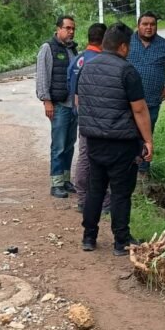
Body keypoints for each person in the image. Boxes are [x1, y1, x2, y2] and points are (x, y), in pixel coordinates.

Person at [75, 22, 154, 256]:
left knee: (95, 189)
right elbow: (139, 109)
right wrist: (148, 141)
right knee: (120, 192)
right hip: (121, 143)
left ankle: (89, 237)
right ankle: (121, 241)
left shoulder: (87, 67)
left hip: (94, 141)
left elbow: (80, 102)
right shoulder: (127, 71)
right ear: (123, 47)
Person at [127, 11, 165, 175]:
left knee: (146, 137)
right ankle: (125, 170)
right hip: (127, 101)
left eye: (152, 24)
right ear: (138, 26)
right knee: (126, 136)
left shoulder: (164, 45)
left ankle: (143, 171)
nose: (149, 27)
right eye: (145, 24)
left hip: (151, 101)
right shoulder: (128, 42)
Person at [67, 22, 110, 213]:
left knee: (84, 157)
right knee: (103, 157)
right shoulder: (102, 61)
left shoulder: (77, 59)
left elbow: (70, 87)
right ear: (105, 39)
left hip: (82, 116)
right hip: (100, 117)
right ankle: (104, 201)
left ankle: (83, 199)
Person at [35, 15, 79, 197]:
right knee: (59, 146)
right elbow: (42, 76)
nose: (71, 32)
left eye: (73, 29)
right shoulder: (48, 48)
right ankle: (56, 184)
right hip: (59, 105)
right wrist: (47, 101)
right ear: (58, 29)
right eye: (67, 28)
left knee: (69, 145)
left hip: (73, 106)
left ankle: (66, 180)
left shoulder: (73, 49)